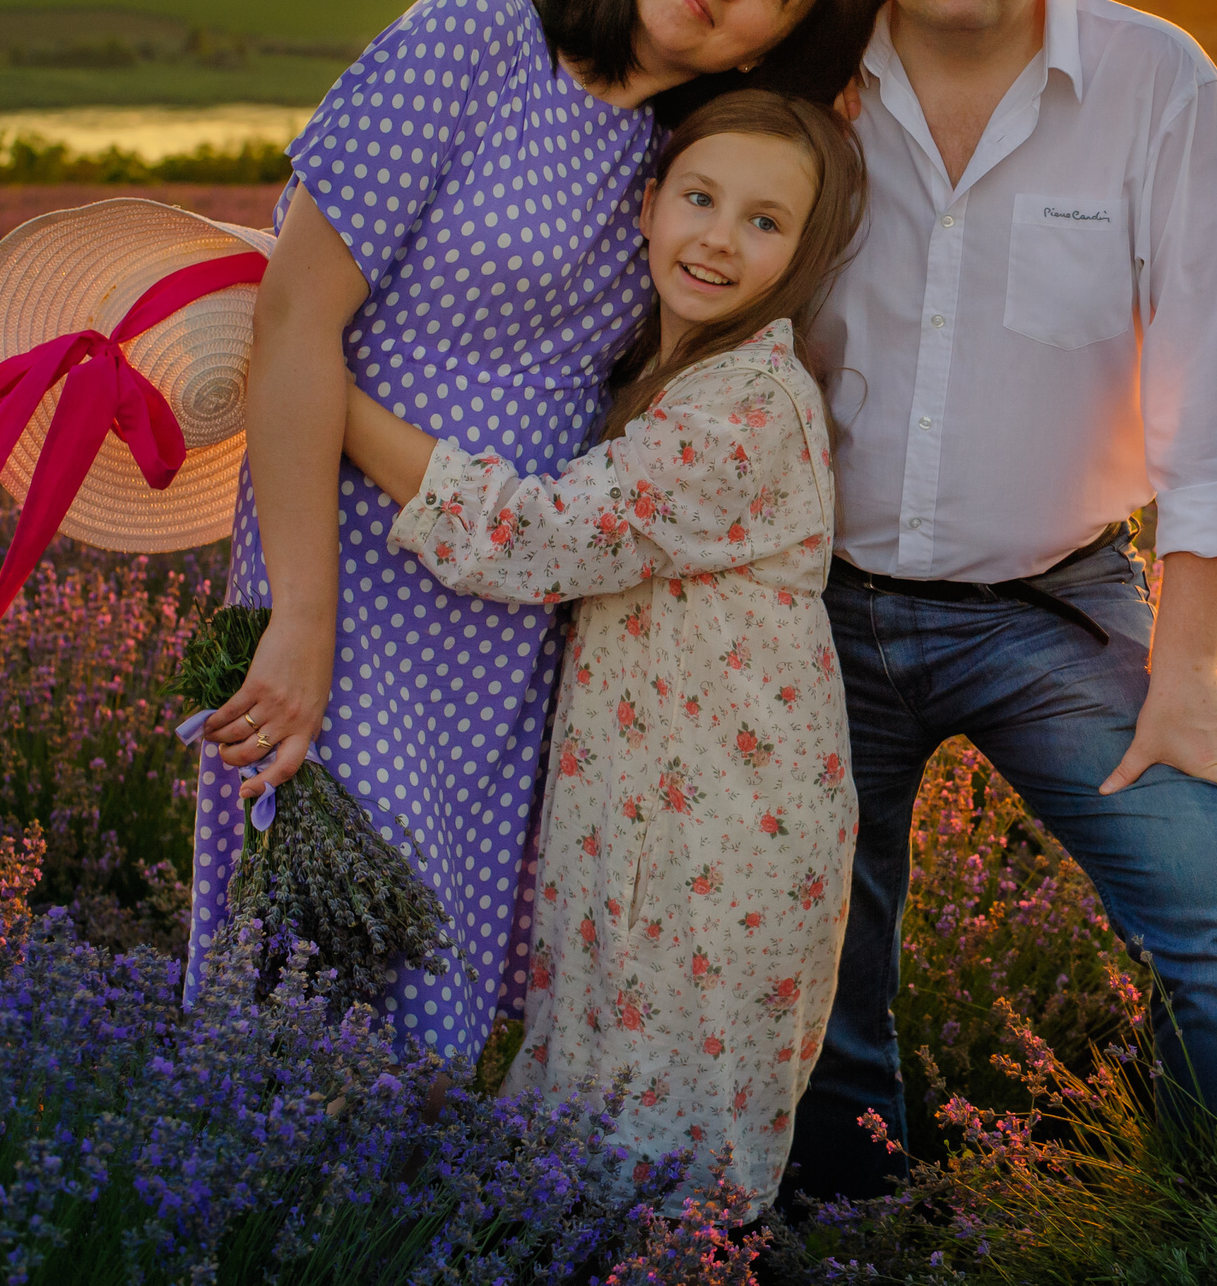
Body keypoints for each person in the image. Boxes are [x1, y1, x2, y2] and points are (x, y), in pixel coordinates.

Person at [194, 0, 884, 1067]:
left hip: (516, 613)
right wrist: (299, 617)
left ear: (763, 53)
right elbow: (294, 320)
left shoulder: (675, 166)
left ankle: (382, 1233)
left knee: (440, 968)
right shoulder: (478, 37)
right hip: (346, 560)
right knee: (309, 947)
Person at [788, 0, 1217, 1279]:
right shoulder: (799, 82)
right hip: (804, 599)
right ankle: (850, 1242)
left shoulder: (1158, 86)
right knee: (817, 956)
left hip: (1055, 603)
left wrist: (1192, 669)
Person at [337, 91, 862, 1214]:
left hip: (724, 822)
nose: (720, 238)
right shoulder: (653, 368)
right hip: (639, 802)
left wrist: (324, 396)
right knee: (596, 1080)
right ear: (645, 205)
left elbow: (536, 537)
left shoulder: (746, 405)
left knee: (675, 1116)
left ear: (806, 253)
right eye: (701, 199)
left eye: (765, 223)